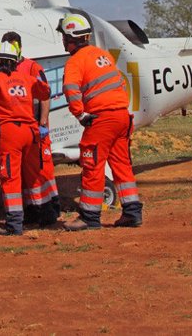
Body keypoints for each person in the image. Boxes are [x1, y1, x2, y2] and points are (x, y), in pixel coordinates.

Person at [57, 12, 143, 231]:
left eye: (64, 37)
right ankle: (132, 213)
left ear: (70, 37)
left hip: (101, 119)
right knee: (121, 165)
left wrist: (81, 115)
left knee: (92, 163)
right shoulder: (101, 55)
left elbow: (70, 89)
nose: (63, 41)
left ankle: (89, 218)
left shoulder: (76, 61)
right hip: (122, 116)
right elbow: (119, 84)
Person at [0, 42, 51, 236]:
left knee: (10, 177)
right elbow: (45, 91)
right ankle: (46, 215)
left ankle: (14, 224)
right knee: (34, 175)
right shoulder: (26, 79)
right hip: (31, 130)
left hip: (10, 132)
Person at [1, 31, 60, 226]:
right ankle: (32, 210)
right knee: (24, 173)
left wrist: (43, 122)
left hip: (35, 125)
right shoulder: (4, 69)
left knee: (43, 169)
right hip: (23, 129)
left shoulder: (32, 67)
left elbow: (45, 95)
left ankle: (51, 207)